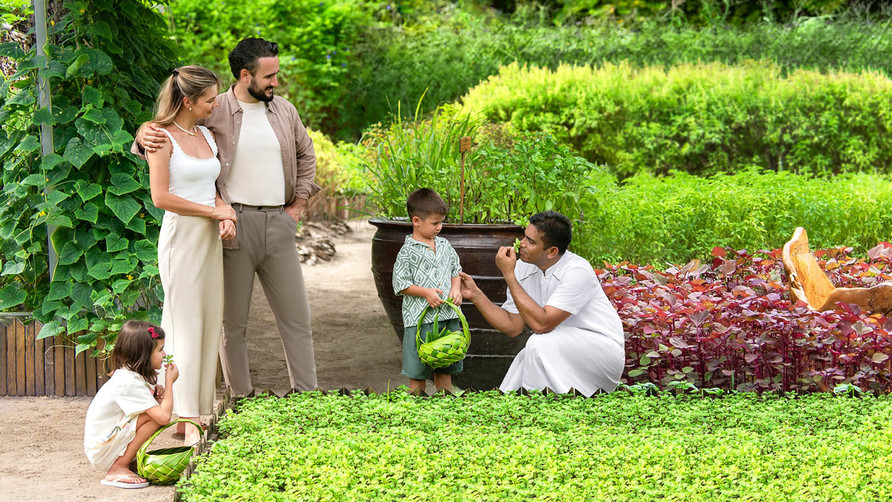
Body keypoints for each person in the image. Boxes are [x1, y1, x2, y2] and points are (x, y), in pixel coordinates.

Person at [135, 38, 321, 396]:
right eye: (269, 76)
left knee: (297, 317)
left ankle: (307, 396)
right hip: (232, 225)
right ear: (245, 74)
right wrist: (143, 133)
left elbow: (306, 154)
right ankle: (242, 398)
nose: (276, 83)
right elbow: (171, 128)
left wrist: (296, 207)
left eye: (277, 75)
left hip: (278, 224)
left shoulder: (285, 111)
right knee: (232, 324)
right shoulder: (213, 107)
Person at [147, 65, 235, 446]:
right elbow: (161, 198)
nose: (215, 105)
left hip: (208, 240)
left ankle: (193, 414)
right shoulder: (160, 138)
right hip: (181, 238)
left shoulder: (206, 136)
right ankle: (184, 415)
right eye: (210, 99)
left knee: (207, 321)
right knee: (183, 325)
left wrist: (225, 212)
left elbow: (209, 189)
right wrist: (214, 211)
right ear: (188, 101)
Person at [459, 210, 625, 396]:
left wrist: (509, 275)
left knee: (538, 345)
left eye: (531, 241)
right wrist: (475, 294)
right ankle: (520, 407)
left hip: (600, 352)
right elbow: (513, 326)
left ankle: (539, 406)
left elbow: (542, 324)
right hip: (557, 347)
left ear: (552, 251)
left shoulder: (577, 271)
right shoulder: (521, 267)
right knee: (529, 355)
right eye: (524, 237)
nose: (521, 244)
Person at [83, 321, 180, 489]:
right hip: (101, 450)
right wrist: (170, 383)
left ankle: (126, 461)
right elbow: (164, 417)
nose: (164, 355)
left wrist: (154, 393)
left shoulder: (130, 376)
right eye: (160, 350)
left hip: (104, 444)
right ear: (143, 353)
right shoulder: (128, 381)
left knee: (153, 413)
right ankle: (118, 467)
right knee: (155, 418)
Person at [393, 188, 463, 394]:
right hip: (419, 320)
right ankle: (417, 407)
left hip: (446, 316)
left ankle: (445, 407)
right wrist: (425, 292)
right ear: (416, 221)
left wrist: (456, 289)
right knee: (418, 370)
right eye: (435, 223)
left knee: (444, 366)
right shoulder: (407, 252)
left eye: (441, 222)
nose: (439, 227)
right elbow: (401, 283)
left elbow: (455, 270)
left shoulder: (444, 245)